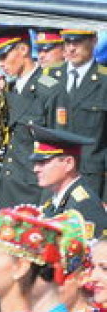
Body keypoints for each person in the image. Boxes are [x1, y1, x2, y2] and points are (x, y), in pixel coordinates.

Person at [0, 24, 65, 210]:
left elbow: (58, 151)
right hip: (5, 188)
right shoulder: (8, 90)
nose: (0, 64)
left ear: (23, 49)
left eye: (4, 56)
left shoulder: (49, 89)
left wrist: (47, 203)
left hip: (32, 191)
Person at [56, 26, 107, 199]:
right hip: (55, 178)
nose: (71, 48)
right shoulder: (50, 76)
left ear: (94, 41)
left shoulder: (104, 81)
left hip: (91, 181)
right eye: (68, 41)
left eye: (77, 41)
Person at [33, 126, 107, 233]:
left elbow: (94, 247)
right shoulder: (55, 200)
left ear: (69, 163)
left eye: (43, 163)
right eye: (36, 163)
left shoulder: (84, 205)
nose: (35, 169)